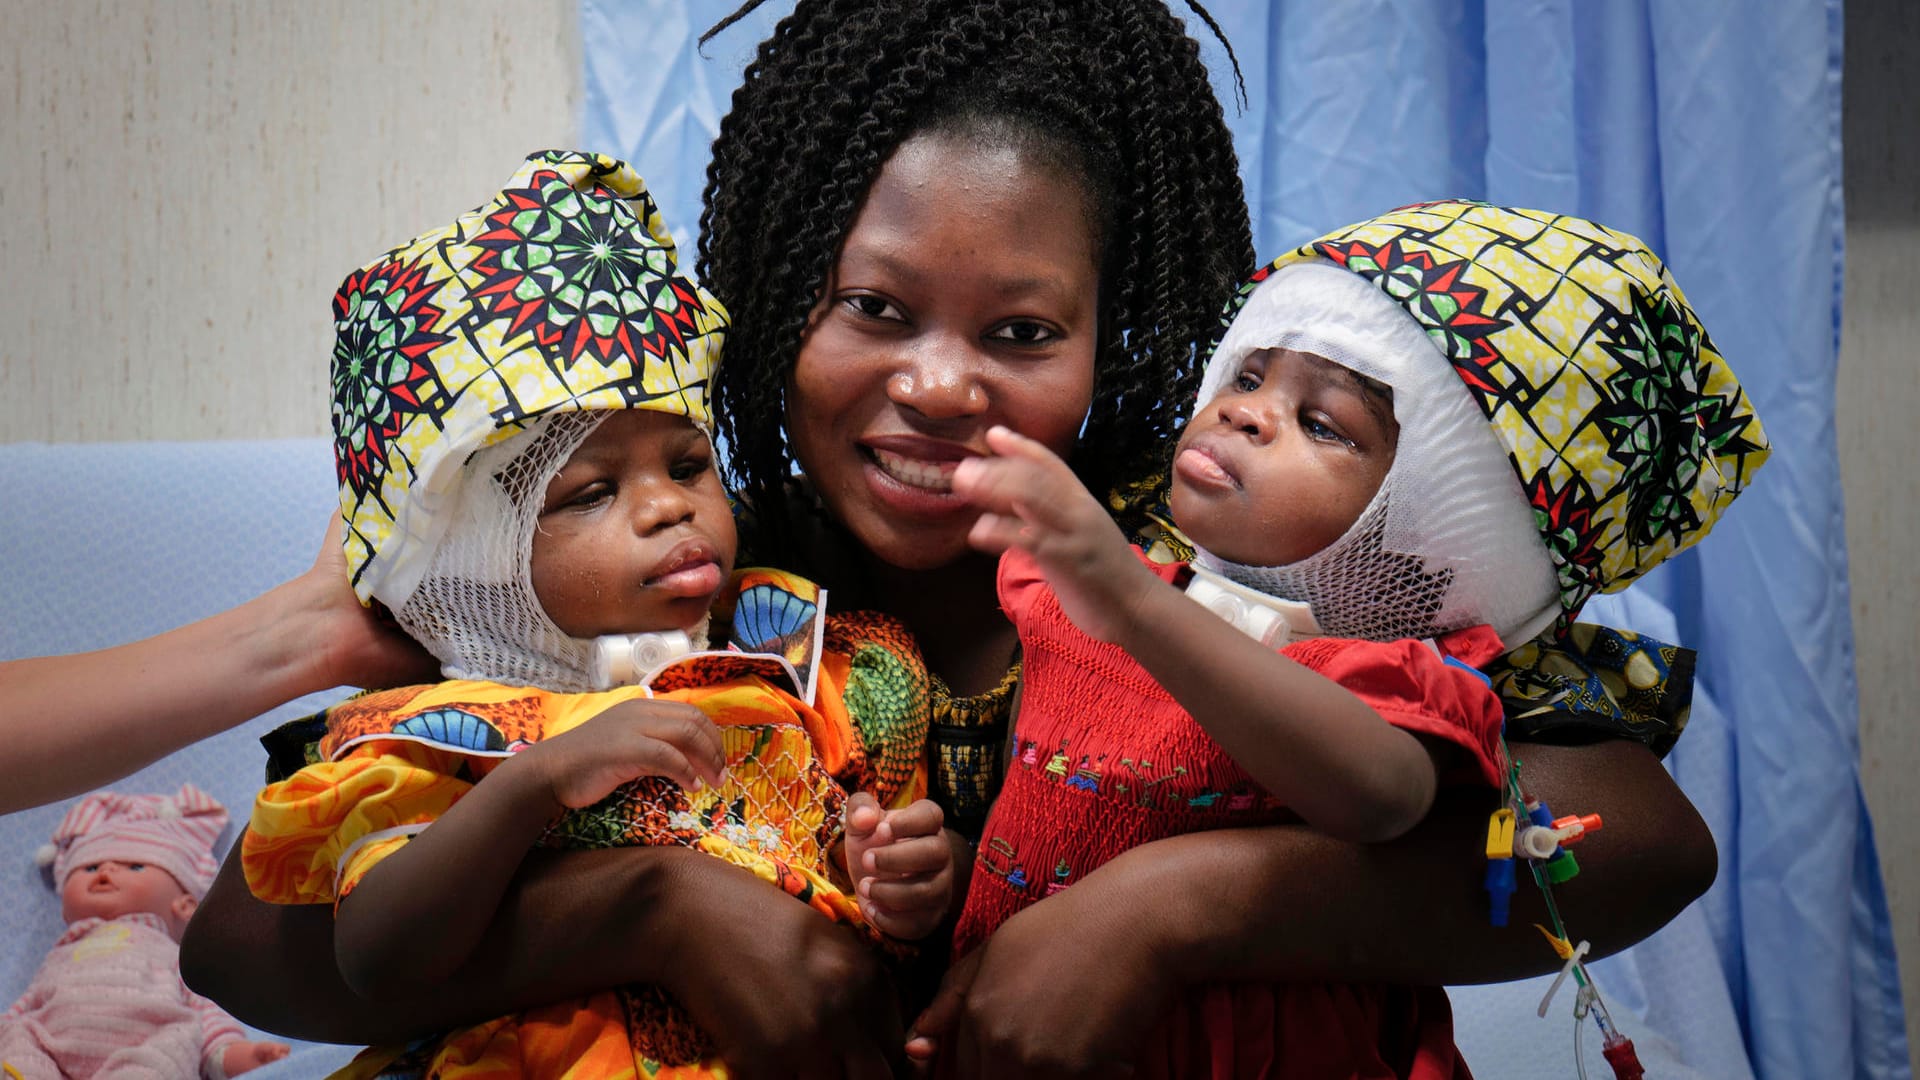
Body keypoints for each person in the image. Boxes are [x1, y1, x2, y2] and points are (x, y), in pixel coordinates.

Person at [159, 4, 1715, 1076]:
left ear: (1121, 336)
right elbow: (247, 946)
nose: (938, 387)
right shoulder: (649, 572)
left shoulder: (1232, 581)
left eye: (1024, 328)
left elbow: (1628, 848)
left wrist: (1179, 909)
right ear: (779, 296)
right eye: (874, 308)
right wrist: (655, 909)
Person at [917, 200, 1768, 1076]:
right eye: (1246, 378)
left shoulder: (1383, 674)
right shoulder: (1070, 588)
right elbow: (1073, 803)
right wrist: (950, 873)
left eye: (1324, 423)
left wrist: (1134, 603)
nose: (1244, 414)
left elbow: (1382, 795)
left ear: (1445, 522)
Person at [238, 149, 956, 1077]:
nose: (668, 507)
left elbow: (889, 915)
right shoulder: (439, 736)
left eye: (688, 466)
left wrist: (908, 879)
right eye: (589, 494)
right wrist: (531, 786)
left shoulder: (809, 666)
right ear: (481, 564)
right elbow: (379, 958)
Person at [1, 785, 289, 1079]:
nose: (107, 869)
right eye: (90, 867)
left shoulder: (177, 955)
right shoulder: (61, 952)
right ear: (66, 913)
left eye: (135, 866)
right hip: (49, 1051)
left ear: (186, 905)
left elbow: (207, 1012)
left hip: (144, 1048)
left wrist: (236, 1055)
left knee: (171, 1048)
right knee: (18, 1039)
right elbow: (28, 1003)